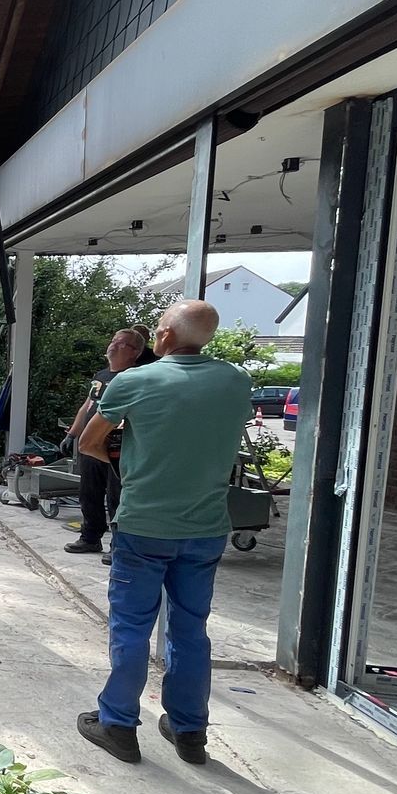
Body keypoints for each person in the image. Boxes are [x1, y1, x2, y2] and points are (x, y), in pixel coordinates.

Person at [73, 300, 251, 766]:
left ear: (168, 334)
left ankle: (117, 725)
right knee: (190, 630)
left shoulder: (136, 380)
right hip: (207, 527)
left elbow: (90, 441)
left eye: (157, 330)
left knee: (131, 626)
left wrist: (131, 469)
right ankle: (190, 731)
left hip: (145, 525)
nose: (154, 336)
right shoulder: (236, 381)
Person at [61, 328, 147, 556]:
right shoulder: (101, 376)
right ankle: (90, 537)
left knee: (117, 496)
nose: (114, 345)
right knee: (89, 493)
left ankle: (117, 546)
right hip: (91, 444)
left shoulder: (136, 378)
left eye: (122, 343)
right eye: (114, 340)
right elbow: (87, 406)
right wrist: (72, 434)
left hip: (118, 446)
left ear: (135, 352)